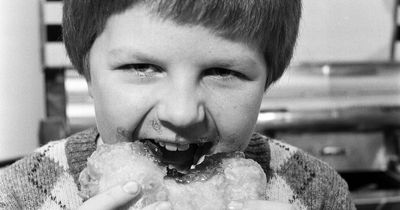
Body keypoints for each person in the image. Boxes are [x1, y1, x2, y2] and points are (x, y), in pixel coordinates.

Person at [0, 0, 356, 209]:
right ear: (88, 74)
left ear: (268, 80)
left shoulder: (317, 192)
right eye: (142, 67)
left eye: (222, 71)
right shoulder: (21, 194)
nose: (182, 113)